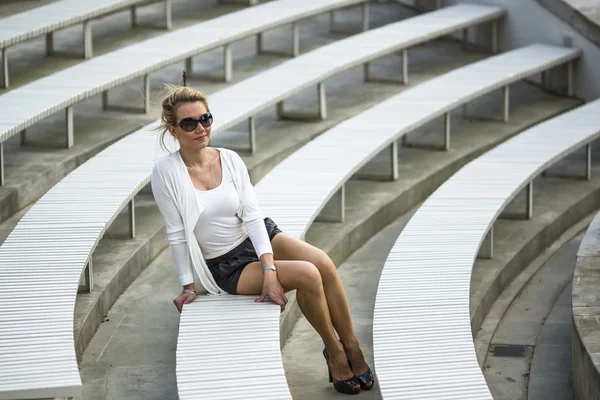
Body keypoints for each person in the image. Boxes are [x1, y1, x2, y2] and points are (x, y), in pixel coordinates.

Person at [151, 74, 374, 395]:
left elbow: (253, 216)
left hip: (257, 237)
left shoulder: (228, 158)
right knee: (308, 275)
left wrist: (269, 268)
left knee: (323, 263)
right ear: (173, 131)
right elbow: (175, 232)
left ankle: (353, 346)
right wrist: (188, 285)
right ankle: (335, 352)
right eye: (190, 124)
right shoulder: (166, 172)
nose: (201, 128)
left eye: (206, 119)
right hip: (226, 263)